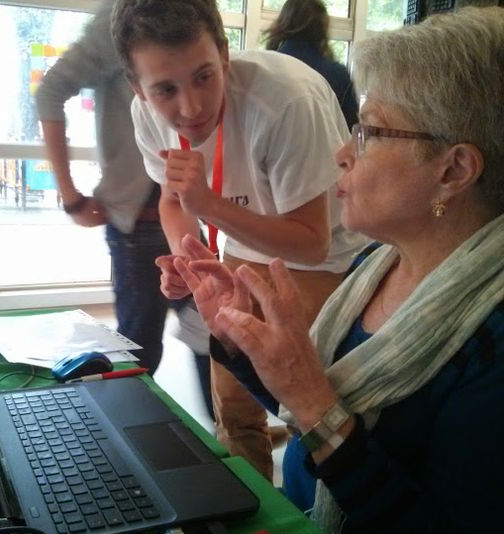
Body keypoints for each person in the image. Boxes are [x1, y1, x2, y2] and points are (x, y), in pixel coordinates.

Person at [171, 6, 504, 534]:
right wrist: (241, 339)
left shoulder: (492, 343)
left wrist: (310, 398)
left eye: (371, 132)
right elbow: (306, 414)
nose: (344, 154)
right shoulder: (377, 264)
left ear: (455, 169)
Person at [111, 0, 366, 479]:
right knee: (233, 401)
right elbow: (173, 200)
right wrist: (190, 258)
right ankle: (250, 517)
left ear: (225, 54)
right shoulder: (144, 112)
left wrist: (209, 207)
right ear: (137, 88)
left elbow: (312, 243)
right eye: (165, 89)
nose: (190, 107)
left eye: (204, 76)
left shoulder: (288, 102)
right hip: (241, 237)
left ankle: (313, 509)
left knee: (305, 401)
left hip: (325, 258)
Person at [36, 0, 214, 414]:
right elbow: (50, 91)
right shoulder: (119, 20)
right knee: (140, 357)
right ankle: (131, 453)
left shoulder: (192, 13)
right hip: (142, 222)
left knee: (214, 333)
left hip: (190, 211)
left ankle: (232, 437)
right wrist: (71, 197)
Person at [264, 0, 358, 129]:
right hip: (325, 148)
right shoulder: (338, 75)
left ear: (283, 23)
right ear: (322, 29)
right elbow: (350, 130)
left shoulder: (265, 68)